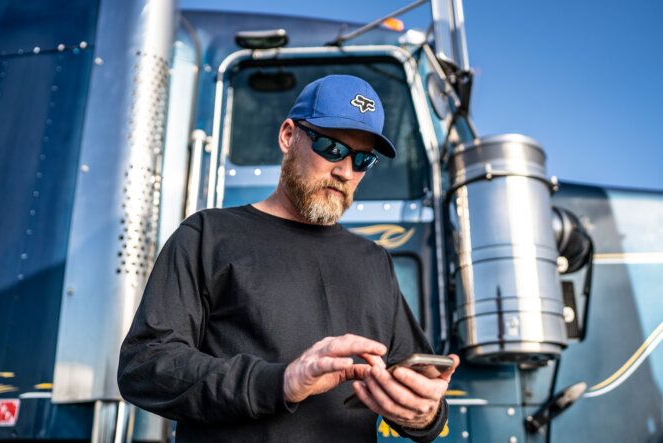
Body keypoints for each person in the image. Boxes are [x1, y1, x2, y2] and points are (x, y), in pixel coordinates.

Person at [117, 74, 459, 442]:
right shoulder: (208, 235)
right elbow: (145, 366)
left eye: (362, 159)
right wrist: (282, 381)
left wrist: (424, 414)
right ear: (287, 136)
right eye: (331, 147)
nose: (345, 170)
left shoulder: (374, 261)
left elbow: (419, 392)